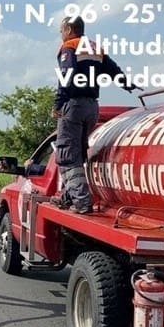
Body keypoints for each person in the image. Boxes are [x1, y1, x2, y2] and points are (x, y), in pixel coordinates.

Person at [52, 16, 136, 214]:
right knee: (78, 154)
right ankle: (68, 197)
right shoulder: (94, 48)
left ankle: (81, 202)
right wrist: (127, 84)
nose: (61, 35)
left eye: (61, 31)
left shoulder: (69, 47)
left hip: (73, 105)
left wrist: (58, 103)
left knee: (66, 155)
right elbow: (113, 70)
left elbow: (67, 74)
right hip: (92, 107)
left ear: (70, 29)